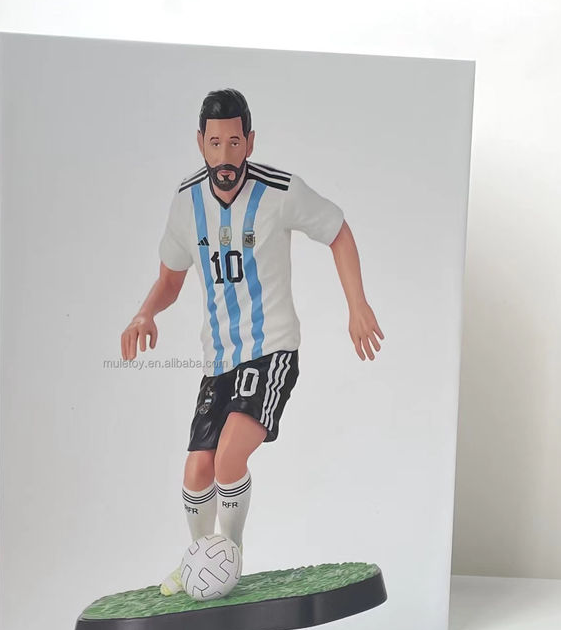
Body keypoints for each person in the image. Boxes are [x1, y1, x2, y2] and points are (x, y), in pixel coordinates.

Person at [120, 88, 383, 596]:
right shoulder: (186, 203)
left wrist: (357, 304)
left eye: (235, 143)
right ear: (201, 143)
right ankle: (200, 560)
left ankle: (230, 558)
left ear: (250, 142)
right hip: (217, 360)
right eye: (215, 143)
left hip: (271, 350)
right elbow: (171, 279)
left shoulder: (280, 192)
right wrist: (145, 312)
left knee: (227, 458)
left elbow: (338, 230)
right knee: (196, 471)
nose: (225, 155)